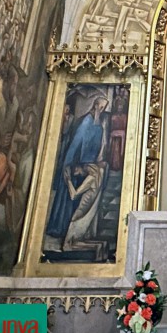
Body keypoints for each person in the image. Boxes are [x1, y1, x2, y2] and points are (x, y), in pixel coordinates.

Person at [46, 97, 108, 240]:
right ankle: (58, 228)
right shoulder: (86, 122)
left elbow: (96, 144)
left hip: (83, 164)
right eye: (102, 107)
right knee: (66, 199)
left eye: (104, 108)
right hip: (75, 163)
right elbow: (77, 144)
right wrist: (68, 165)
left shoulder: (95, 122)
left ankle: (65, 230)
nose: (103, 111)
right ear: (96, 106)